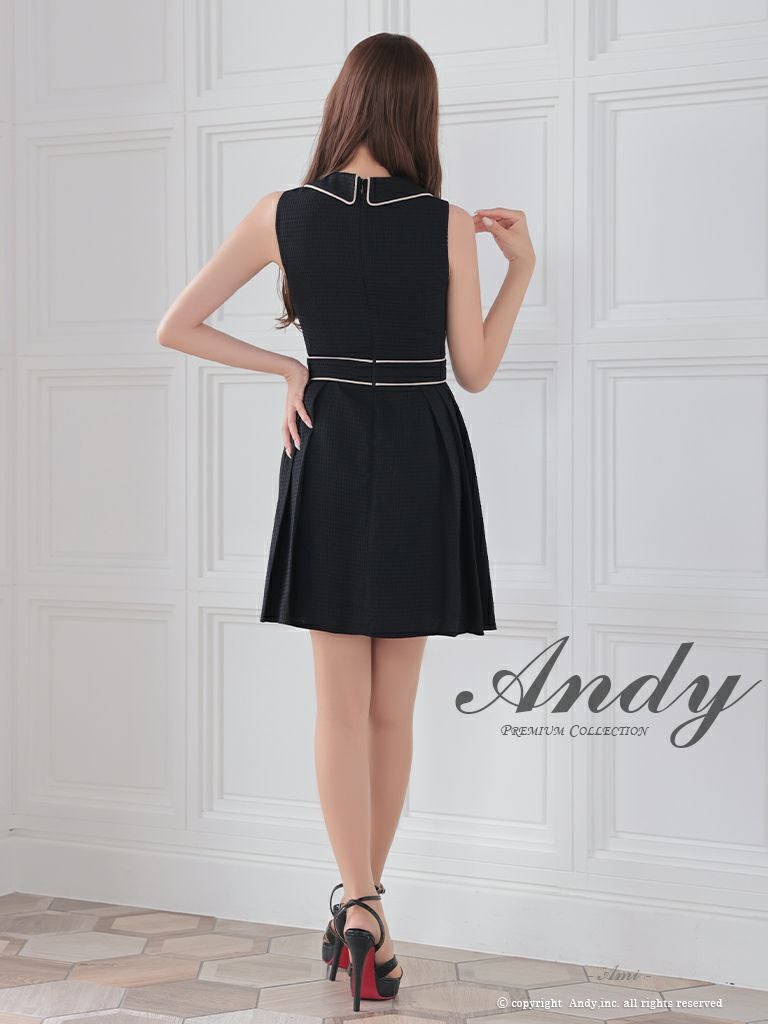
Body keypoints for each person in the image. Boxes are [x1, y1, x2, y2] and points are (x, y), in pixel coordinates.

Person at [157, 32, 535, 1014]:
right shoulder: (445, 223)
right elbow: (475, 371)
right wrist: (520, 270)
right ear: (418, 113)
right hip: (420, 449)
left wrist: (290, 368)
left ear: (345, 103)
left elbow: (176, 324)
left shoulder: (281, 213)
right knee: (390, 709)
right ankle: (370, 910)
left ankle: (357, 904)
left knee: (337, 705)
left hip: (325, 448)